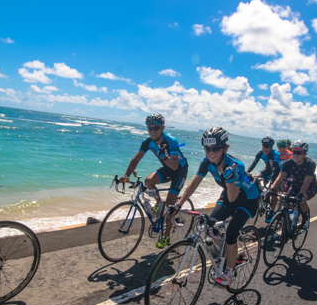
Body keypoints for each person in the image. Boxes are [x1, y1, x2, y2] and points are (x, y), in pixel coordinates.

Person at [174, 127, 260, 286]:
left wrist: (230, 180)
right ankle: (227, 252)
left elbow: (234, 197)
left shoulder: (236, 166)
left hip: (248, 199)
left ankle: (229, 272)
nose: (211, 152)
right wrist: (178, 205)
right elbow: (193, 185)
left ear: (225, 148)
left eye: (215, 148)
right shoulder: (207, 162)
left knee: (232, 232)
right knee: (209, 226)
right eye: (207, 148)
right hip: (228, 195)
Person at [121, 113, 189, 248]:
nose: (152, 131)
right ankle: (158, 203)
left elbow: (175, 165)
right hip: (167, 168)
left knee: (170, 205)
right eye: (149, 128)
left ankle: (166, 236)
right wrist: (126, 176)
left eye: (155, 128)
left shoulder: (171, 141)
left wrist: (161, 154)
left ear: (162, 128)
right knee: (149, 181)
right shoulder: (148, 142)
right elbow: (136, 159)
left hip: (179, 171)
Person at [270, 140, 317, 229]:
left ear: (304, 154)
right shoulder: (288, 163)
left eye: (299, 153)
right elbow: (280, 177)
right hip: (295, 185)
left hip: (309, 186)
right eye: (294, 152)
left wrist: (301, 194)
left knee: (301, 201)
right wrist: (271, 189)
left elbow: (307, 181)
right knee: (288, 202)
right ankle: (291, 220)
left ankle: (305, 218)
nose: (295, 155)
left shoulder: (310, 164)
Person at [246, 136, 282, 222]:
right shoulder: (260, 153)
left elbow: (275, 168)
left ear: (271, 147)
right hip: (267, 170)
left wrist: (270, 179)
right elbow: (253, 164)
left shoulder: (276, 154)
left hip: (276, 172)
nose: (265, 149)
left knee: (273, 191)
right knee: (254, 178)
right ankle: (261, 195)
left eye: (267, 147)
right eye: (263, 146)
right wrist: (246, 173)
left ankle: (272, 212)